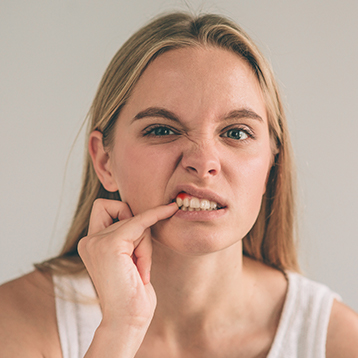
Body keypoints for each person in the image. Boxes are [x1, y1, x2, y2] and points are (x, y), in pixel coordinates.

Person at [0, 12, 357, 358]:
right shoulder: (15, 321)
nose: (203, 162)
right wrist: (120, 331)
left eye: (236, 133)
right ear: (104, 161)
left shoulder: (339, 342)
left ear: (271, 164)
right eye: (162, 130)